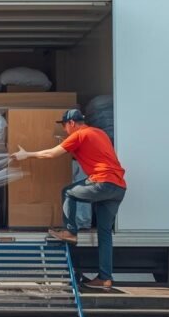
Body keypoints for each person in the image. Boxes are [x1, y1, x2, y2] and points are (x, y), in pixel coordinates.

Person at [13, 109, 127, 290]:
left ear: (72, 123)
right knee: (104, 234)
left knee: (68, 192)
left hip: (102, 182)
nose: (65, 130)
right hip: (118, 187)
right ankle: (105, 278)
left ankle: (70, 232)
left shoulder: (80, 134)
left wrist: (26, 155)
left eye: (65, 126)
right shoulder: (99, 133)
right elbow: (91, 153)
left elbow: (50, 154)